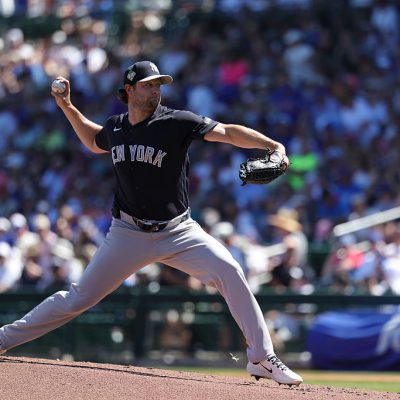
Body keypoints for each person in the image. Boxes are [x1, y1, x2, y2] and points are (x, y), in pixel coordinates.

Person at [0, 60, 302, 386]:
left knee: (230, 271)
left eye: (158, 84)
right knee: (78, 298)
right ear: (129, 90)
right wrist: (68, 107)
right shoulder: (117, 127)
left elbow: (227, 132)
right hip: (127, 233)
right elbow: (94, 140)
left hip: (178, 231)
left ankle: (260, 356)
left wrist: (273, 146)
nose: (156, 90)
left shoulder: (176, 122)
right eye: (148, 84)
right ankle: (3, 339)